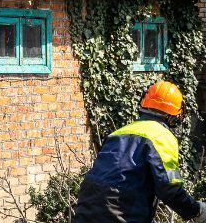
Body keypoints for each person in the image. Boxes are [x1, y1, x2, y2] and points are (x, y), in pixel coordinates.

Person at [73, 80, 206, 223]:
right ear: (174, 115)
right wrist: (196, 210)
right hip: (121, 209)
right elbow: (169, 188)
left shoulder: (117, 134)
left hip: (87, 205)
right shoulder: (163, 136)